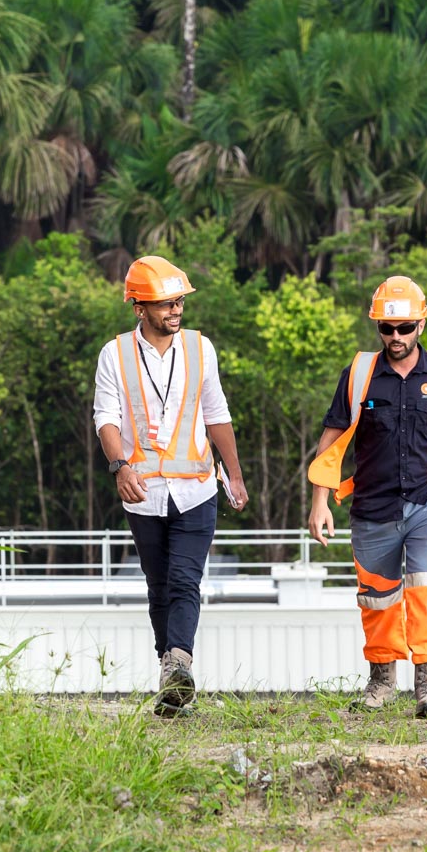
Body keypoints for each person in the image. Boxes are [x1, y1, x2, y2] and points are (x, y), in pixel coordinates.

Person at [306, 276, 427, 718]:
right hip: (371, 506)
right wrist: (319, 502)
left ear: (422, 324)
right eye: (387, 329)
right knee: (377, 599)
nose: (396, 337)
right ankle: (381, 683)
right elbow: (331, 442)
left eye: (405, 328)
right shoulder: (358, 375)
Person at [94, 255, 250, 718]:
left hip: (197, 489)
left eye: (179, 301)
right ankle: (172, 675)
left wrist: (234, 474)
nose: (175, 310)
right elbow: (106, 417)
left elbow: (216, 413)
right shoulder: (115, 353)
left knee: (186, 579)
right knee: (158, 585)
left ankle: (179, 661)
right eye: (165, 303)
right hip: (143, 492)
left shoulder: (202, 349)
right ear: (139, 307)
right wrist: (119, 466)